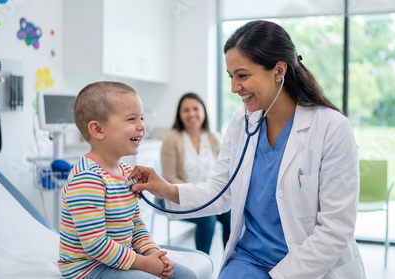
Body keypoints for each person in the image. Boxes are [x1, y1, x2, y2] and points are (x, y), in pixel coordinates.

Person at [130, 20, 366, 279]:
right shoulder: (240, 123)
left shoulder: (331, 128)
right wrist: (165, 189)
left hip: (310, 267)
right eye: (231, 77)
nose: (234, 88)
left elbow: (335, 229)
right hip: (250, 260)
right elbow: (219, 191)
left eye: (243, 76)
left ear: (279, 70)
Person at [58, 81, 196, 279]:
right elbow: (96, 244)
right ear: (98, 130)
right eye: (131, 119)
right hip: (90, 268)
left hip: (121, 259)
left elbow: (136, 224)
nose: (141, 126)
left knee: (187, 276)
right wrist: (144, 264)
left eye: (141, 118)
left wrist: (152, 253)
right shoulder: (87, 179)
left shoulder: (125, 172)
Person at [160, 92, 231, 255]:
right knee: (208, 218)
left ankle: (230, 262)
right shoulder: (172, 138)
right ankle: (203, 262)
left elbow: (223, 171)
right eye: (186, 110)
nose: (191, 114)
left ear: (203, 112)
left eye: (195, 109)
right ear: (180, 114)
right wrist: (197, 195)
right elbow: (170, 177)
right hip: (179, 197)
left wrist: (209, 194)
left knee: (231, 215)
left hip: (211, 196)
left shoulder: (213, 137)